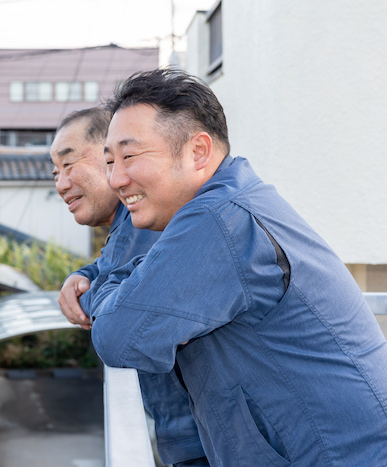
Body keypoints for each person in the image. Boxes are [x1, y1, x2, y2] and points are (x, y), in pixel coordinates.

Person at [87, 68, 387, 466]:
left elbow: (118, 336)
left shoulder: (219, 220)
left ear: (198, 151)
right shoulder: (236, 199)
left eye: (129, 156)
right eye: (109, 161)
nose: (116, 179)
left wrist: (102, 288)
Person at [51, 107, 209, 467]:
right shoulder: (131, 221)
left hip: (199, 437)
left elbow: (119, 318)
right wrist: (87, 273)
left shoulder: (142, 219)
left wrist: (89, 287)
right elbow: (117, 272)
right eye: (55, 172)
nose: (60, 183)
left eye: (70, 164)